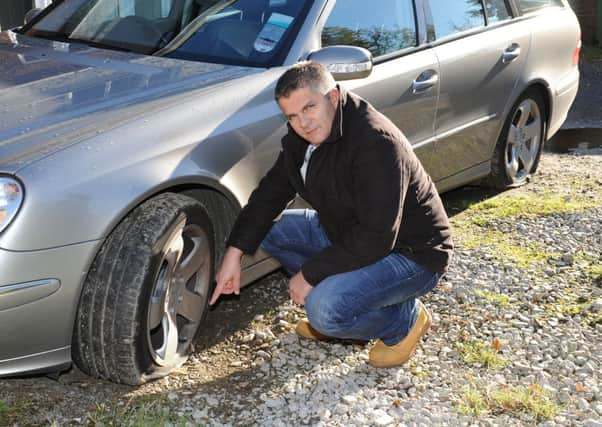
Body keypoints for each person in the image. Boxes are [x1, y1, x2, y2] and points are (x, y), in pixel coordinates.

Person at [209, 61, 453, 367]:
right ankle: (344, 300)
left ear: (334, 97)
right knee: (270, 229)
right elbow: (269, 194)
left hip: (410, 253)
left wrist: (310, 275)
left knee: (325, 310)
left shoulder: (376, 142)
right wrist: (235, 252)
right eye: (292, 116)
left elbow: (377, 235)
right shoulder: (304, 136)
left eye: (309, 107)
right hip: (346, 231)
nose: (303, 123)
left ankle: (403, 320)